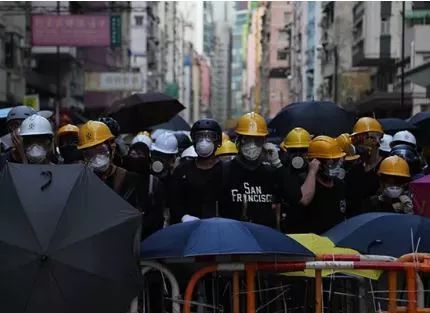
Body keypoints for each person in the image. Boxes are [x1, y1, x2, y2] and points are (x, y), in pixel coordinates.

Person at [219, 112, 319, 228]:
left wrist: (277, 164)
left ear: (264, 143)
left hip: (263, 237)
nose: (252, 145)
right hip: (234, 234)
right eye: (247, 139)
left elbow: (296, 197)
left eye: (257, 140)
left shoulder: (270, 172)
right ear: (239, 140)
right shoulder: (225, 170)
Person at [78, 121, 143, 208]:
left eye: (100, 149)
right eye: (90, 150)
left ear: (111, 147)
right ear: (84, 154)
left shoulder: (128, 178)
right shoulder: (80, 180)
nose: (97, 156)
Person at [170, 118, 223, 223]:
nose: (204, 141)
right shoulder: (182, 171)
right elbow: (173, 202)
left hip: (218, 227)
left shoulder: (225, 170)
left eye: (210, 136)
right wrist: (183, 216)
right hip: (187, 227)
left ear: (218, 141)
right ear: (193, 140)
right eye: (200, 136)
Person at [299, 136, 347, 234]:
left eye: (338, 160)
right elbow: (304, 200)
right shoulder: (305, 181)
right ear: (317, 162)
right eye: (332, 160)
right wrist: (312, 171)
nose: (337, 164)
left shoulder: (339, 184)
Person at [123, 139, 164, 238]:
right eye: (132, 154)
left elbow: (158, 215)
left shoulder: (153, 183)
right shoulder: (121, 178)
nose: (134, 157)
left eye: (139, 154)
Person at [346, 117, 384, 217]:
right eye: (357, 140)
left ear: (377, 140)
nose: (360, 145)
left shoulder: (387, 165)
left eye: (364, 138)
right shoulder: (354, 169)